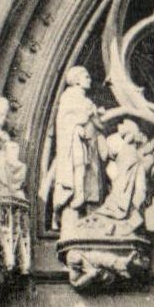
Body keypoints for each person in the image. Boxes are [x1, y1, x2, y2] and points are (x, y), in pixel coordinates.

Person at [48, 67, 106, 222]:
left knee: (91, 175)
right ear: (77, 79)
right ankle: (77, 196)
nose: (90, 80)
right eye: (86, 77)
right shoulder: (68, 97)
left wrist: (97, 115)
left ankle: (90, 205)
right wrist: (84, 117)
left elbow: (99, 124)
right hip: (74, 142)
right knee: (78, 166)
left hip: (91, 145)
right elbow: (64, 120)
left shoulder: (87, 101)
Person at [96, 120, 154, 228]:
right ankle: (125, 210)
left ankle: (126, 211)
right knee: (126, 186)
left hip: (129, 163)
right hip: (126, 164)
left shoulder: (132, 151)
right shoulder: (124, 148)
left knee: (129, 186)